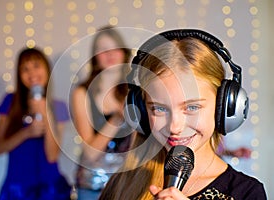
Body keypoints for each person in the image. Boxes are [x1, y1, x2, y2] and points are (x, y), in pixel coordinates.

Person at [99, 29, 267, 199]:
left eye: (192, 107)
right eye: (159, 109)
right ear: (141, 112)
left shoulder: (247, 192)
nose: (175, 127)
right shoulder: (122, 183)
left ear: (223, 108)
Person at [0, 47, 71, 199]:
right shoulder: (10, 101)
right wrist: (27, 132)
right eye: (25, 69)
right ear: (19, 74)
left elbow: (52, 156)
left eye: (36, 66)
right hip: (17, 188)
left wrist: (45, 113)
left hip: (50, 188)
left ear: (46, 69)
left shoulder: (58, 107)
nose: (32, 73)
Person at [70, 25, 132, 199]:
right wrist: (118, 117)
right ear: (95, 57)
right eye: (103, 50)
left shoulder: (135, 90)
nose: (110, 54)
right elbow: (91, 153)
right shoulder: (82, 93)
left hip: (126, 186)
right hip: (92, 186)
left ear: (123, 52)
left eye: (114, 48)